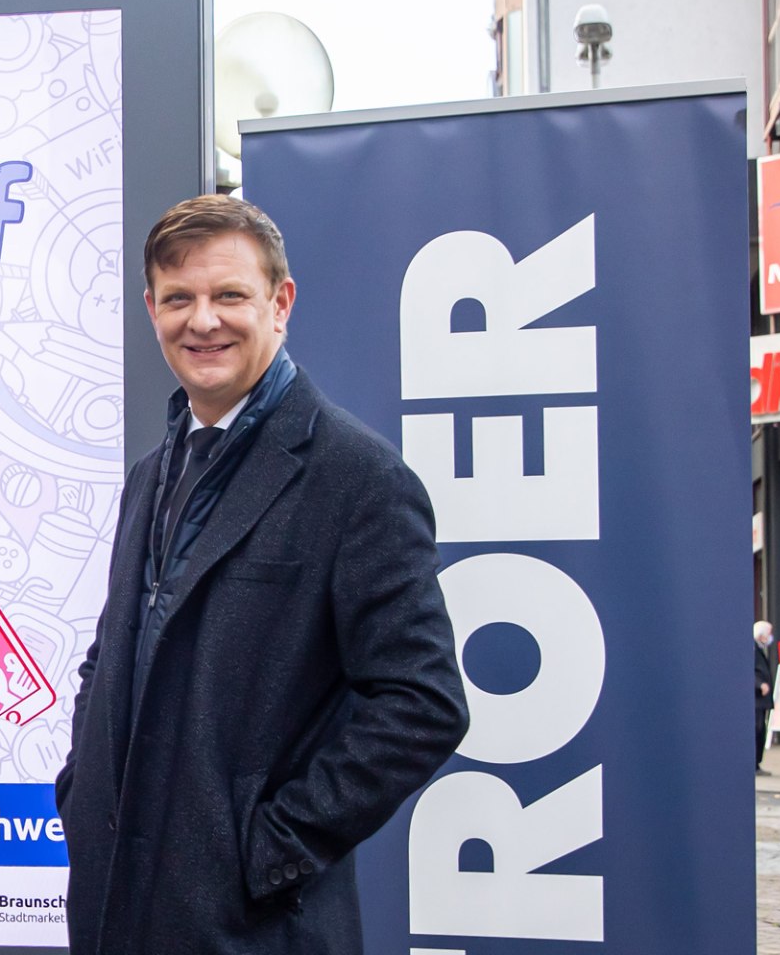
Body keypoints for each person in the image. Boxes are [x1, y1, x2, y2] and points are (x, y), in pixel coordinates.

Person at [56, 195, 470, 954]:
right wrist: (82, 790)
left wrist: (271, 848)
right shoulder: (152, 473)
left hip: (255, 926)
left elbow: (423, 703)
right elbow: (113, 649)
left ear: (280, 304)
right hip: (117, 908)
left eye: (229, 296)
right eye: (178, 298)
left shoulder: (357, 478)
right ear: (151, 310)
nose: (202, 321)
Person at [758, 620, 779, 776]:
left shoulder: (759, 649)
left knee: (761, 729)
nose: (770, 637)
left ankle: (757, 762)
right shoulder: (752, 650)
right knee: (757, 729)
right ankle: (755, 763)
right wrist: (760, 684)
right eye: (769, 633)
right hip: (757, 699)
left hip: (761, 700)